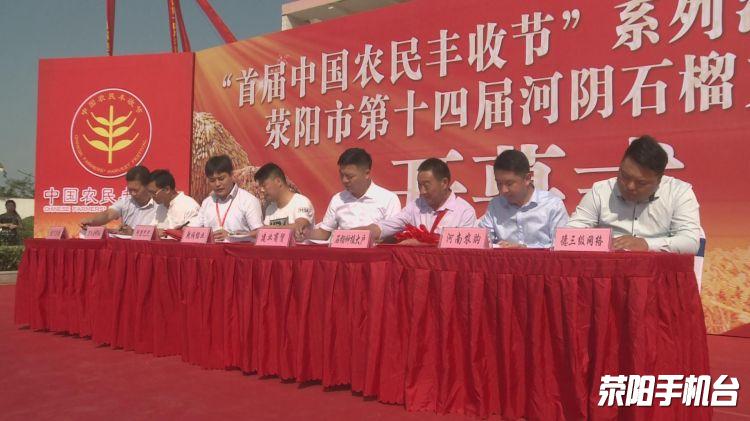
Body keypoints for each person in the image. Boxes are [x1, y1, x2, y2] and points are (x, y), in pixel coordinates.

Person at [567, 135, 701, 254]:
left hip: (657, 270)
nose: (630, 186)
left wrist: (647, 245)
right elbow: (569, 235)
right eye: (625, 176)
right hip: (607, 269)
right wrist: (603, 243)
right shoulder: (601, 191)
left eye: (641, 183)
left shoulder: (679, 193)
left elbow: (690, 243)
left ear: (659, 180)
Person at [361, 158, 476, 244]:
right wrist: (357, 235)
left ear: (444, 183)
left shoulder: (465, 212)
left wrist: (423, 244)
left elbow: (463, 250)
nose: (422, 191)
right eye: (419, 185)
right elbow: (386, 226)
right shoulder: (415, 206)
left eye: (426, 185)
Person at [478, 150, 568, 248]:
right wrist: (496, 247)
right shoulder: (495, 205)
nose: (503, 190)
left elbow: (561, 246)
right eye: (499, 184)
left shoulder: (552, 205)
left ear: (527, 179)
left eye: (509, 184)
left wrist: (525, 250)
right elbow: (480, 241)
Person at [306, 148, 401, 241]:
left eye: (350, 176)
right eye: (342, 175)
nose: (344, 180)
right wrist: (302, 233)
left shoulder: (388, 199)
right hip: (343, 251)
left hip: (375, 251)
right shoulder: (338, 199)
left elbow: (393, 235)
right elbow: (324, 233)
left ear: (367, 173)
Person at [190, 154, 263, 241]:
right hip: (211, 249)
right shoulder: (207, 202)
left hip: (238, 249)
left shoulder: (248, 200)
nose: (217, 184)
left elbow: (259, 233)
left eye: (221, 178)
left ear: (231, 175)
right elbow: (193, 229)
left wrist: (231, 235)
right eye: (212, 180)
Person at [80, 166, 156, 234]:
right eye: (130, 190)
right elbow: (108, 215)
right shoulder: (125, 201)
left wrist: (133, 232)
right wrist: (92, 221)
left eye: (136, 190)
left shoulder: (159, 204)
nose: (132, 193)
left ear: (147, 186)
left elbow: (160, 233)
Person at [253, 163, 314, 237]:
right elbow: (265, 234)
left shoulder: (302, 202)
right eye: (260, 187)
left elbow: (300, 227)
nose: (262, 190)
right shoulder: (270, 209)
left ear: (278, 181)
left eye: (264, 186)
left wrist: (269, 228)